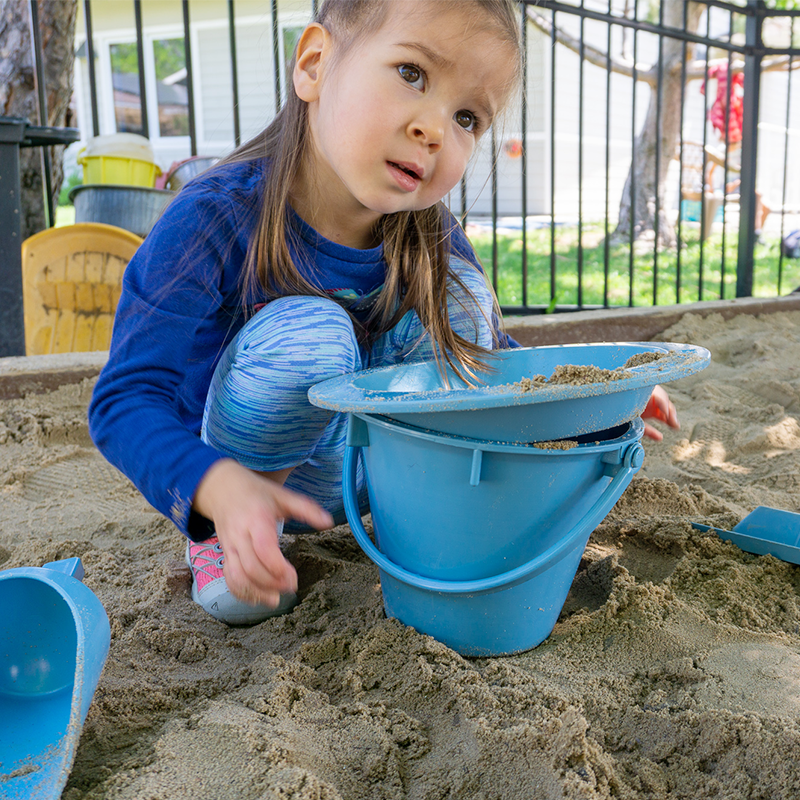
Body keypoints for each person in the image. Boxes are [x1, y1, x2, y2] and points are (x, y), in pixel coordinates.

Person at [89, 0, 677, 628]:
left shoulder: (429, 235)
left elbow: (495, 360)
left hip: (383, 474)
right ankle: (234, 540)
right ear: (315, 65)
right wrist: (216, 489)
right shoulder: (214, 217)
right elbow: (124, 399)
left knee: (463, 303)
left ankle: (433, 523)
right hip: (253, 468)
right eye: (412, 74)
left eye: (467, 116)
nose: (434, 129)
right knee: (311, 334)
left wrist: (586, 402)